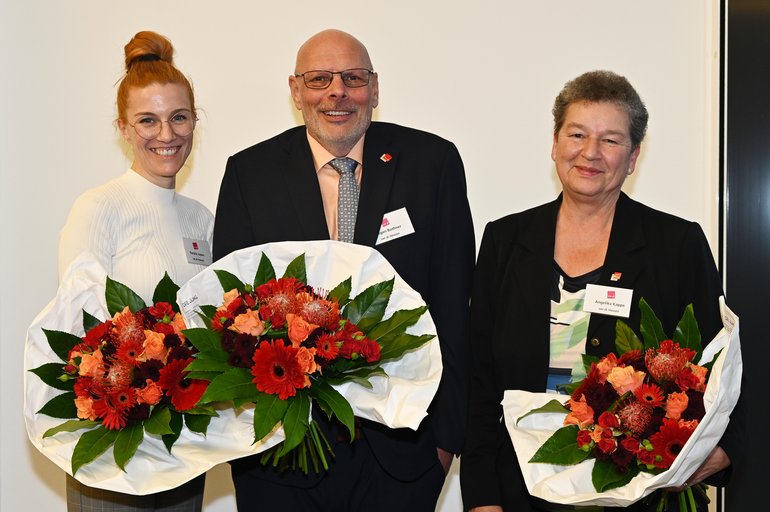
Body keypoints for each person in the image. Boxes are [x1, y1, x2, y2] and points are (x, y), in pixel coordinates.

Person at [213, 29, 475, 512]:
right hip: (281, 455)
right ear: (295, 91)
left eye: (353, 78)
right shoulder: (250, 174)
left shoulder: (432, 164)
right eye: (319, 79)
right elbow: (231, 316)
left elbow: (454, 305)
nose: (338, 92)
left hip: (403, 451)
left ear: (374, 89)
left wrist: (446, 442)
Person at [460, 70, 744, 512]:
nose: (590, 153)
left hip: (640, 490)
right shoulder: (506, 240)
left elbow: (719, 364)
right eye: (577, 134)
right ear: (555, 144)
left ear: (632, 158)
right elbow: (480, 380)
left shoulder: (676, 244)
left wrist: (725, 448)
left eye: (611, 140)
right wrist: (481, 497)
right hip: (522, 490)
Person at [58, 30, 214, 512]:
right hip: (114, 451)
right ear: (123, 128)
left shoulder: (201, 218)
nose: (166, 135)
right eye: (148, 120)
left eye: (179, 118)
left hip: (183, 450)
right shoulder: (98, 208)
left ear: (194, 121)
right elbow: (75, 334)